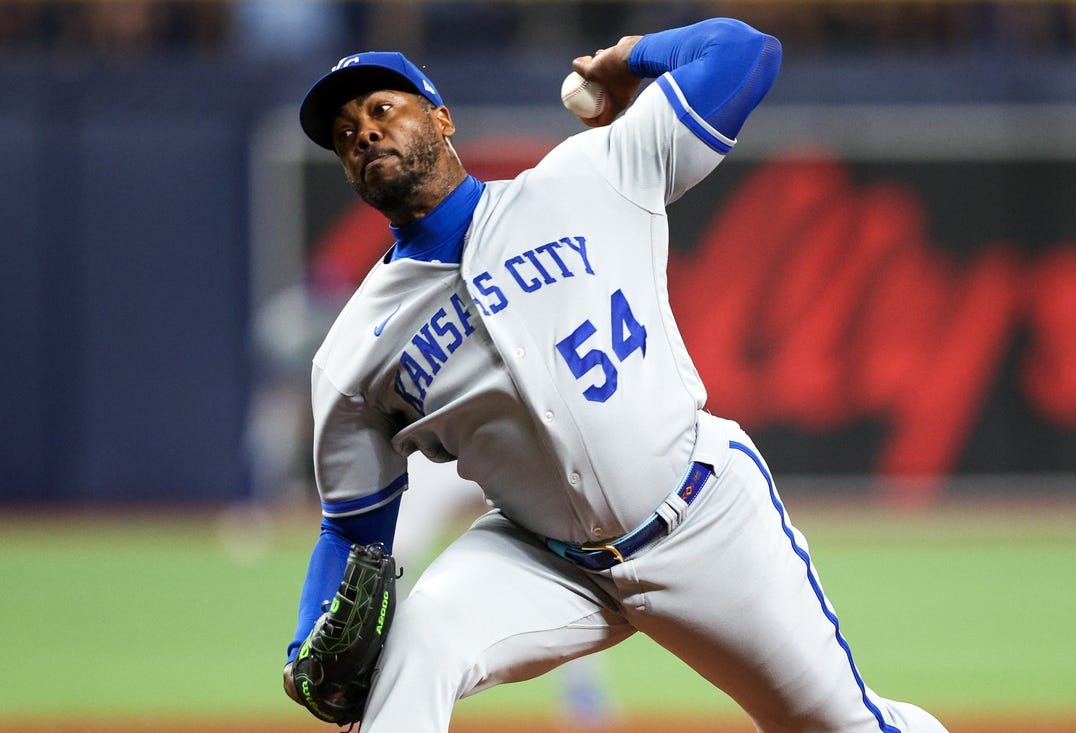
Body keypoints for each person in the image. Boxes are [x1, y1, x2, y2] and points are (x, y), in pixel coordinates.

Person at [282, 17, 951, 733]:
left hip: (703, 519)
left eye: (382, 109)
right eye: (346, 133)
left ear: (442, 118)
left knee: (838, 724)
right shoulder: (355, 347)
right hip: (544, 560)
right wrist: (302, 645)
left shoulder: (588, 176)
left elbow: (747, 54)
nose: (364, 133)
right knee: (416, 644)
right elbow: (354, 530)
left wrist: (634, 58)